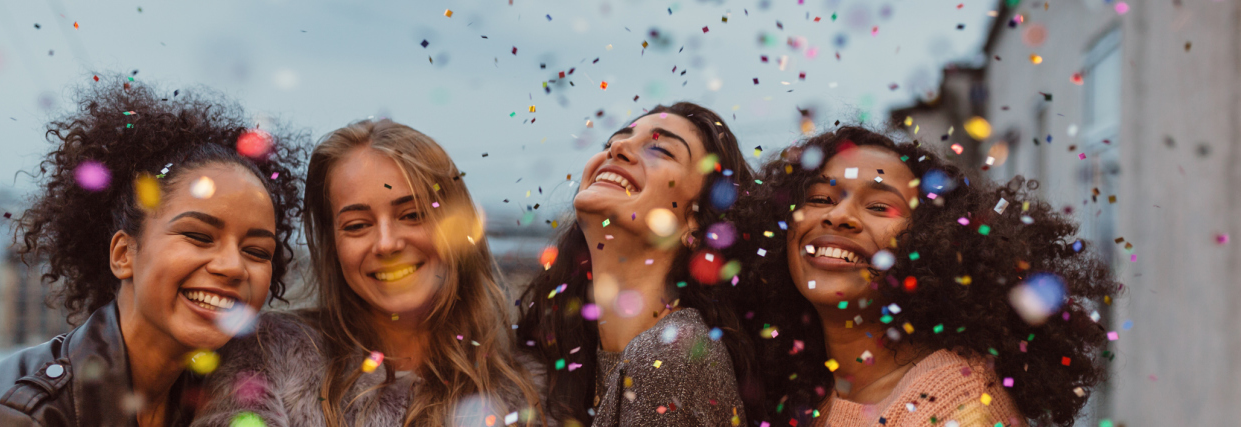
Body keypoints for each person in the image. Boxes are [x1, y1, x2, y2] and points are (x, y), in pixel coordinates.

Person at [0, 77, 306, 427]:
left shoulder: (233, 398)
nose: (233, 266)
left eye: (257, 251)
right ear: (123, 254)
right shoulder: (21, 415)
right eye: (199, 236)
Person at [741, 126, 1120, 426]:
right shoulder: (806, 389)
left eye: (879, 206)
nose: (838, 216)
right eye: (820, 198)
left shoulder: (953, 402)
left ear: (931, 242)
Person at [191, 120, 547, 427]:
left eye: (412, 215)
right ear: (333, 245)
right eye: (358, 225)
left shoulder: (529, 390)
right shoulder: (268, 355)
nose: (387, 244)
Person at [516, 102, 761, 426]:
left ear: (698, 223)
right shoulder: (557, 360)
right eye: (613, 141)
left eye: (660, 149)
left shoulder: (673, 352)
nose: (618, 148)